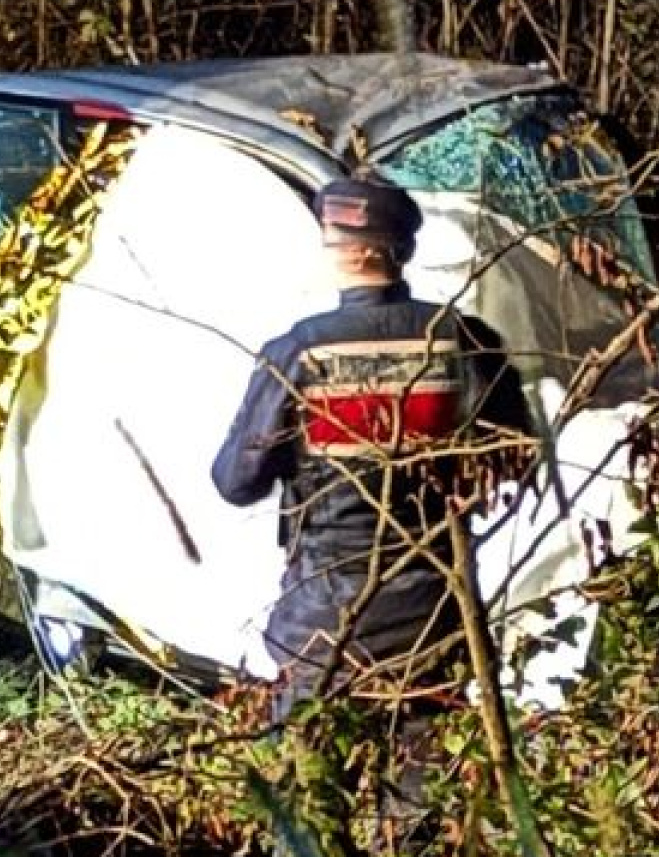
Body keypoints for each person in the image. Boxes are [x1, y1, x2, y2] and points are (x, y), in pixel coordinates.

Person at [212, 175, 532, 853]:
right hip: (433, 618)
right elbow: (517, 453)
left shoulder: (300, 352)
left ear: (342, 247)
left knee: (306, 816)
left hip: (323, 623)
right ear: (402, 248)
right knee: (416, 822)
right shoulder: (462, 339)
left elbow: (236, 481)